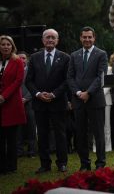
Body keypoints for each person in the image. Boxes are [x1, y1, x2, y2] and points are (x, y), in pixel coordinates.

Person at [26, 29, 70, 174]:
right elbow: (29, 81)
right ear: (43, 40)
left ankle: (62, 163)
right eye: (47, 37)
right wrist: (38, 94)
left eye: (53, 38)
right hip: (39, 103)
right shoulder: (34, 57)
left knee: (60, 134)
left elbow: (67, 81)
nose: (50, 40)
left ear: (57, 40)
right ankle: (45, 164)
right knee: (43, 134)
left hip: (57, 102)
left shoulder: (65, 57)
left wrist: (53, 94)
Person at [67, 26, 108, 171]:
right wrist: (78, 93)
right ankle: (84, 163)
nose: (87, 39)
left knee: (98, 133)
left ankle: (100, 163)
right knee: (81, 133)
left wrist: (88, 93)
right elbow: (70, 77)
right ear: (80, 38)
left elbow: (100, 77)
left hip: (95, 99)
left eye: (89, 37)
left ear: (94, 38)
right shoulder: (74, 55)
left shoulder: (101, 54)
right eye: (84, 37)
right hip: (78, 101)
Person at [0, 35, 26, 175]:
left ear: (12, 46)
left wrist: (3, 96)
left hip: (11, 103)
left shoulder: (17, 62)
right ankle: (1, 166)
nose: (5, 47)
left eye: (8, 44)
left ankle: (11, 166)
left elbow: (18, 81)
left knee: (11, 138)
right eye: (3, 44)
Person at [16, 51, 36, 158]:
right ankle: (18, 151)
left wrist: (26, 98)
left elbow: (34, 85)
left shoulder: (31, 71)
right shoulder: (14, 70)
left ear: (27, 59)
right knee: (18, 128)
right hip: (16, 103)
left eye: (23, 58)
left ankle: (32, 151)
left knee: (31, 128)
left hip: (30, 103)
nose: (21, 60)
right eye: (19, 58)